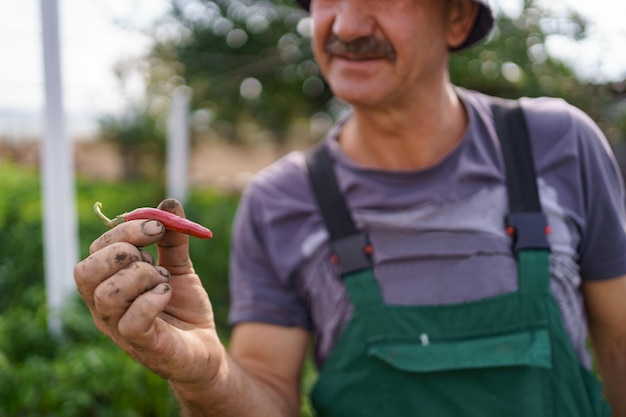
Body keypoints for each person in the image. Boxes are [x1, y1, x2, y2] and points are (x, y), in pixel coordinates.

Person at [74, 0, 626, 415]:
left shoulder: (557, 144)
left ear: (456, 19)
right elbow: (267, 394)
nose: (347, 26)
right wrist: (205, 374)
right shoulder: (280, 200)